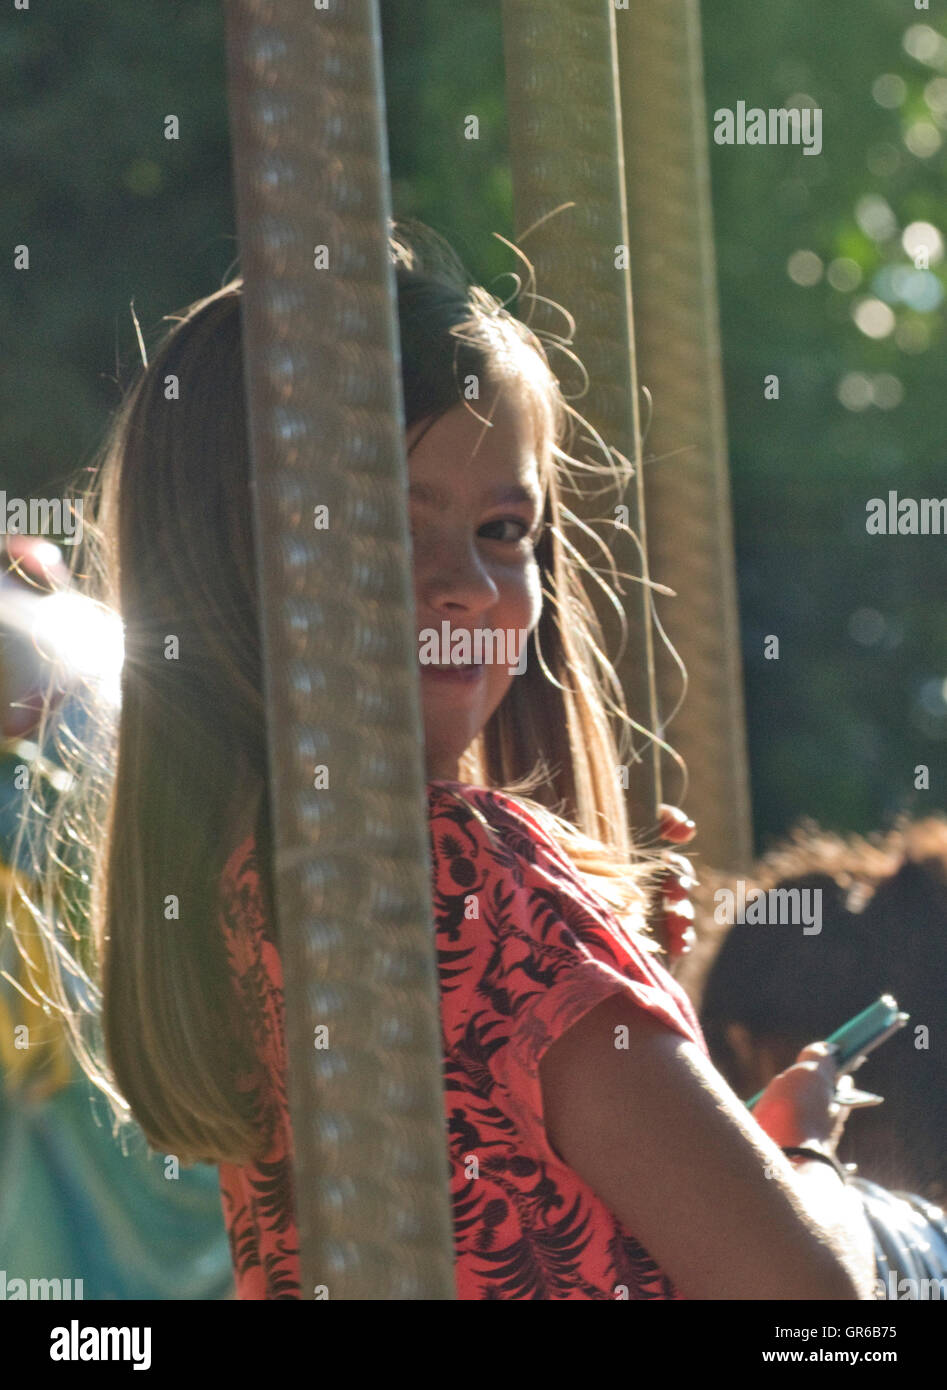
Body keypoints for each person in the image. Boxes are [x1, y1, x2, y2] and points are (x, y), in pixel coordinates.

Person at [10, 218, 876, 1300]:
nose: (462, 581)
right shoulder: (465, 873)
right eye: (383, 526)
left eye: (504, 528)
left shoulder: (235, 892)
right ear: (237, 558)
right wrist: (809, 1163)